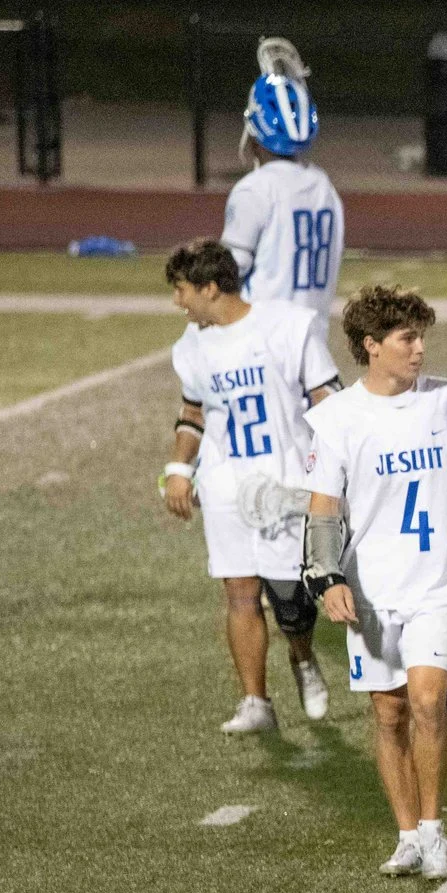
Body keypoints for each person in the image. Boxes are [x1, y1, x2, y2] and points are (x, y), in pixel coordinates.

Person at [300, 285, 447, 880]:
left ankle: (435, 833)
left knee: (428, 701)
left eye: (421, 337)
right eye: (406, 339)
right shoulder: (337, 419)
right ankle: (407, 834)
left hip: (440, 581)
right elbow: (323, 510)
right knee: (389, 715)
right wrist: (327, 578)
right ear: (371, 345)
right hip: (373, 587)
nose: (419, 350)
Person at [162, 237, 339, 734]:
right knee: (239, 591)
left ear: (210, 287)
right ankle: (256, 701)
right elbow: (193, 411)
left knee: (290, 596)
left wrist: (337, 466)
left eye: (181, 289)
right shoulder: (191, 346)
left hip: (286, 479)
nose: (177, 301)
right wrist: (179, 468)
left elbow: (328, 397)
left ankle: (302, 657)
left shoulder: (288, 325)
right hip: (226, 482)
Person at [221, 39, 342, 317]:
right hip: (314, 332)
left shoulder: (255, 189)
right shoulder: (324, 187)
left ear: (254, 134)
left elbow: (229, 272)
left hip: (263, 333)